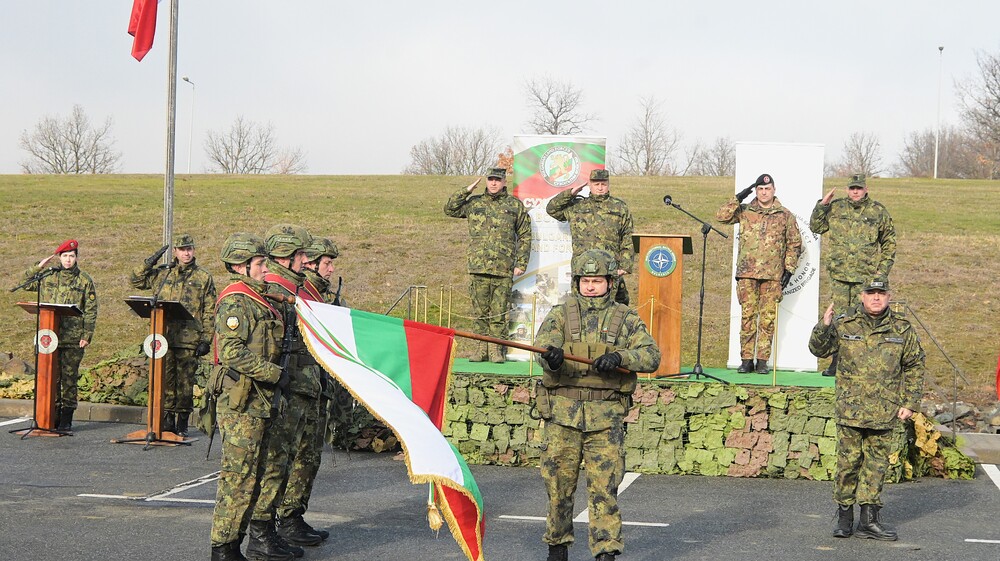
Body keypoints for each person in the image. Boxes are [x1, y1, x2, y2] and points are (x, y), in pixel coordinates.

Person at [534, 249, 660, 561]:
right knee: (558, 488)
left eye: (598, 280)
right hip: (562, 416)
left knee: (605, 490)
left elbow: (651, 355)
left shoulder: (626, 318)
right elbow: (542, 348)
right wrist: (551, 357)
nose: (591, 286)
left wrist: (621, 357)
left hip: (605, 420)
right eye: (586, 280)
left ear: (609, 282)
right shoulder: (561, 314)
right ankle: (557, 546)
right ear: (578, 282)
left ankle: (606, 552)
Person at [808, 276, 925, 541]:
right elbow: (818, 349)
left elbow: (915, 365)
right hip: (851, 409)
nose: (876, 297)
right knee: (847, 464)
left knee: (876, 466)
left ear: (889, 297)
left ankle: (869, 521)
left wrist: (910, 402)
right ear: (862, 296)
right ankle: (844, 518)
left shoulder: (901, 329)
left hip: (884, 411)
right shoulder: (845, 323)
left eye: (881, 293)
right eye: (871, 293)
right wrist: (823, 326)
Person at [209, 233, 288, 561]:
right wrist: (274, 374)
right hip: (241, 404)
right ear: (241, 267)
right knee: (237, 480)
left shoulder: (258, 299)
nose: (264, 268)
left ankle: (238, 545)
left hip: (259, 402)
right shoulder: (235, 301)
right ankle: (224, 549)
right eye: (258, 263)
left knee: (254, 477)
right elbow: (231, 352)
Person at [251, 224, 324, 556]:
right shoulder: (274, 290)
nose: (306, 260)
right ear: (285, 257)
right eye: (300, 255)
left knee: (297, 458)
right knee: (276, 462)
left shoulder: (295, 288)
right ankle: (263, 531)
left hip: (303, 386)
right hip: (286, 389)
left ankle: (286, 522)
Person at [274, 236, 340, 546]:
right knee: (288, 456)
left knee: (309, 457)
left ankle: (292, 516)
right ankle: (276, 521)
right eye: (326, 263)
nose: (331, 269)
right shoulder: (292, 292)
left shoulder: (318, 293)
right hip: (297, 386)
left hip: (315, 385)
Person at [130, 234, 217, 436]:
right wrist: (149, 262)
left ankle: (182, 422)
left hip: (189, 338)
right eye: (182, 249)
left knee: (185, 382)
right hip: (164, 337)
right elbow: (136, 280)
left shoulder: (203, 277)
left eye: (190, 249)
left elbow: (210, 310)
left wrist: (206, 339)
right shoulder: (163, 274)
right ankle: (167, 419)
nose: (187, 253)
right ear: (175, 252)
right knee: (166, 380)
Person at [810, 173, 896, 376]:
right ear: (848, 189)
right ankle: (836, 361)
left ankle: (861, 363)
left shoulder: (877, 211)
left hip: (865, 278)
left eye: (859, 188)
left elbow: (889, 242)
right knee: (839, 319)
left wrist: (881, 273)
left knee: (862, 319)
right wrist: (822, 206)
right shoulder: (837, 207)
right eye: (852, 188)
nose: (855, 192)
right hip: (840, 275)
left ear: (866, 189)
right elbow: (816, 227)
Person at [716, 173, 802, 374]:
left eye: (768, 189)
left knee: (767, 319)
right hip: (747, 273)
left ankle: (762, 361)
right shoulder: (745, 211)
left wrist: (788, 269)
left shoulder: (785, 215)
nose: (764, 193)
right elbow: (721, 217)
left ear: (774, 190)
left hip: (772, 275)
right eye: (760, 189)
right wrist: (738, 197)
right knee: (747, 317)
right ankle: (746, 360)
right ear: (756, 191)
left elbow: (795, 244)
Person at [444, 167, 531, 363]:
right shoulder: (474, 203)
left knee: (499, 313)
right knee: (479, 313)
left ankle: (496, 351)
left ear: (504, 182)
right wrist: (466, 190)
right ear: (486, 181)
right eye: (490, 179)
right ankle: (479, 350)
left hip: (503, 268)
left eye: (497, 180)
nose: (493, 183)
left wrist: (521, 263)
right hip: (478, 266)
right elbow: (450, 209)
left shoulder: (514, 205)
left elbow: (525, 234)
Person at [17, 239, 98, 431]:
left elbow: (91, 309)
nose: (68, 260)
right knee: (50, 377)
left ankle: (66, 417)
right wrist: (38, 268)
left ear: (76, 257)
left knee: (69, 378)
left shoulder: (84, 280)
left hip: (73, 337)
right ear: (59, 258)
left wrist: (87, 334)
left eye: (71, 256)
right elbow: (24, 284)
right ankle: (49, 414)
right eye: (65, 256)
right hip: (49, 337)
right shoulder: (48, 276)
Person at [546, 169, 634, 305]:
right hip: (582, 266)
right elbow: (552, 209)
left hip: (609, 266)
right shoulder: (577, 205)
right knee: (579, 306)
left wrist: (625, 265)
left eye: (603, 184)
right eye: (596, 184)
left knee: (613, 306)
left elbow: (626, 236)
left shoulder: (619, 207)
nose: (600, 188)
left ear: (608, 184)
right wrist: (570, 194)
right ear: (589, 185)